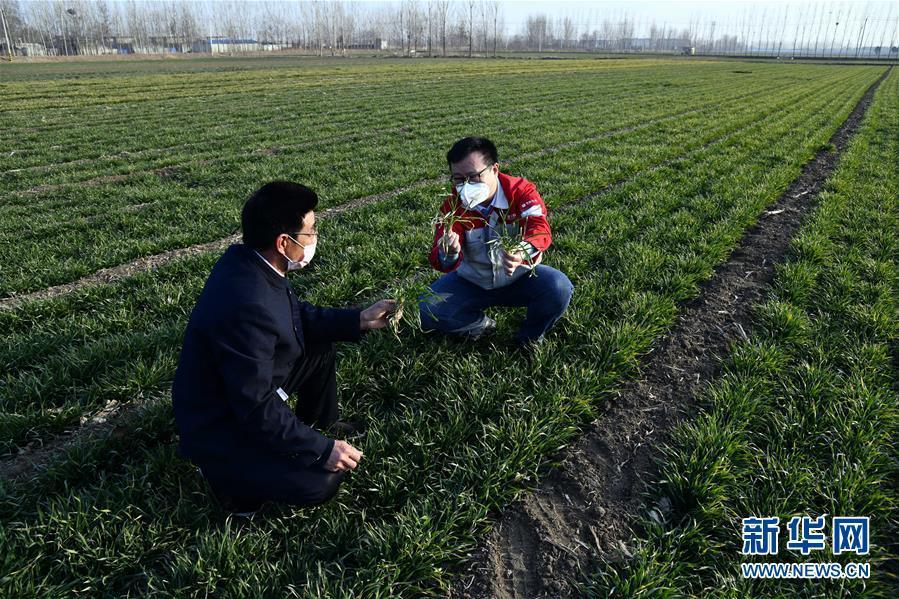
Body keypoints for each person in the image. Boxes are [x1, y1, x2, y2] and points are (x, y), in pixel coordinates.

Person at [172, 181, 395, 515]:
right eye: (311, 231)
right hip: (223, 423)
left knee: (319, 345)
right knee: (321, 482)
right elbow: (255, 406)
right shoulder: (248, 303)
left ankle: (320, 422)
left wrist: (358, 319)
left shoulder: (251, 262)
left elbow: (295, 315)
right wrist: (322, 450)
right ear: (283, 242)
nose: (315, 236)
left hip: (242, 393)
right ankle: (227, 481)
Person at [419, 137, 573, 345]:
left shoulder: (520, 192)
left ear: (494, 169)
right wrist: (449, 251)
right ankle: (479, 326)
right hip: (473, 281)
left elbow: (539, 228)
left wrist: (522, 251)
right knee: (427, 308)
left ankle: (530, 338)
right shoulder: (453, 207)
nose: (466, 186)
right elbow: (440, 260)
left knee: (558, 287)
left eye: (473, 177)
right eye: (458, 179)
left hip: (520, 278)